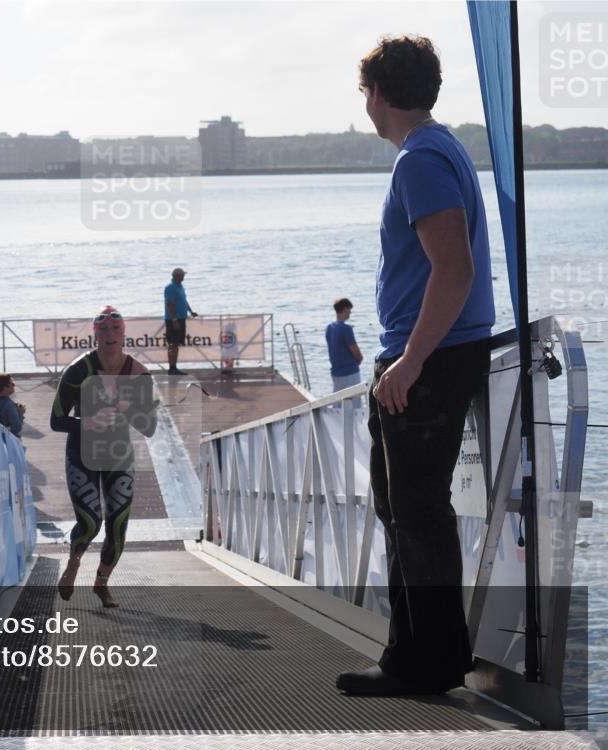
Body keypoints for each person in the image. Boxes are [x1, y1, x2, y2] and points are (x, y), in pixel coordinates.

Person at [336, 35, 495, 696]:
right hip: (435, 356)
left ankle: (420, 663)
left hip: (426, 363)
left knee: (416, 513)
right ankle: (428, 652)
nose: (366, 105)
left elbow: (452, 269)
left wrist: (407, 363)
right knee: (409, 511)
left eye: (364, 93)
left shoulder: (419, 161)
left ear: (377, 93)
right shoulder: (441, 146)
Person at [50, 305, 158, 608]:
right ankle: (73, 564)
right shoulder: (79, 370)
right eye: (104, 331)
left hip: (118, 452)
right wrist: (86, 422)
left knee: (118, 524)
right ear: (94, 336)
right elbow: (56, 420)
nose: (110, 336)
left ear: (124, 335)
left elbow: (148, 426)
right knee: (90, 522)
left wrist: (127, 408)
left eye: (115, 330)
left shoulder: (138, 374)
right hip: (82, 451)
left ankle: (101, 583)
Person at [163, 267, 198, 376]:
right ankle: (171, 367)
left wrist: (191, 311)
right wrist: (174, 320)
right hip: (173, 320)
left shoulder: (180, 286)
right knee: (172, 344)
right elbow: (170, 304)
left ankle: (174, 367)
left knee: (176, 344)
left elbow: (184, 300)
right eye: (182, 275)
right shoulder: (170, 287)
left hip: (181, 319)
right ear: (177, 275)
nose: (183, 277)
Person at [326, 298, 363, 391]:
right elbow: (357, 354)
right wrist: (358, 362)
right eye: (349, 310)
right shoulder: (346, 329)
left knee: (338, 403)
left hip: (336, 372)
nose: (350, 313)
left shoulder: (329, 328)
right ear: (345, 309)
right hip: (349, 372)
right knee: (354, 402)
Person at [0, 373, 25, 437]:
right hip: (7, 439)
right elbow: (16, 428)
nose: (14, 385)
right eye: (12, 384)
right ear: (5, 387)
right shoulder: (9, 405)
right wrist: (21, 413)